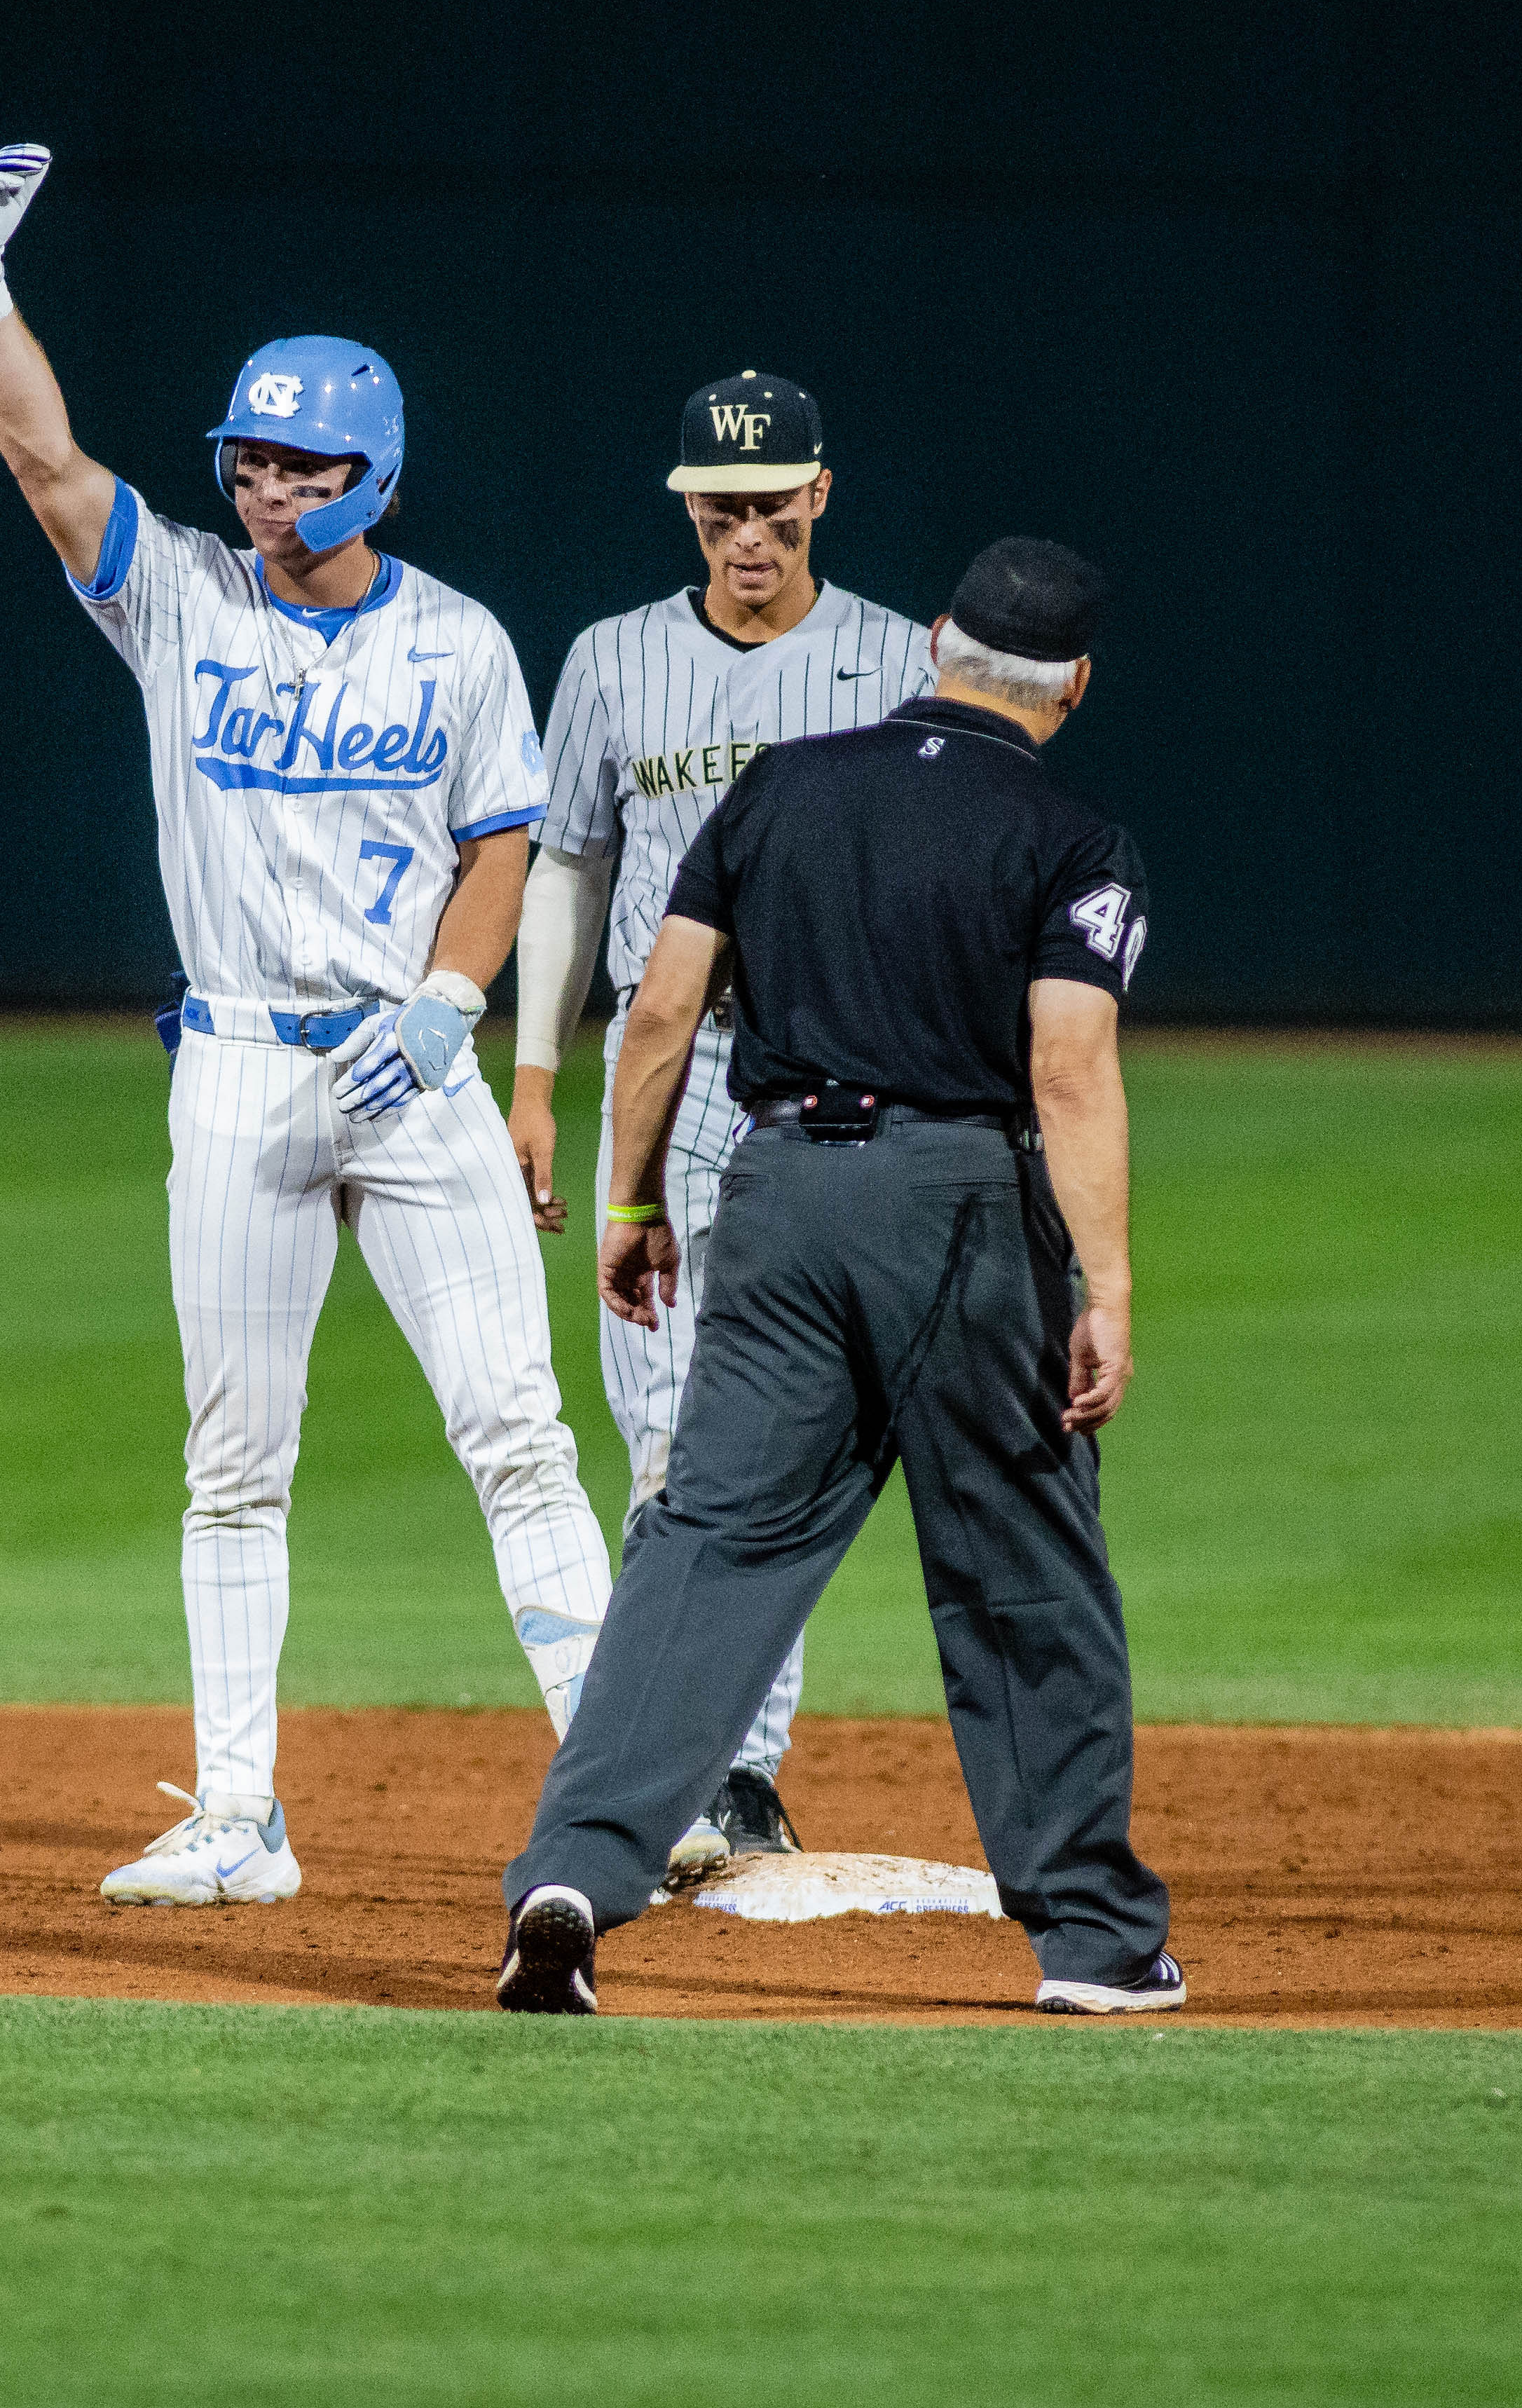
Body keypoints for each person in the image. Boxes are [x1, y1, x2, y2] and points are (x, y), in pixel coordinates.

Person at [0, 142, 611, 1906]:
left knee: (519, 1430)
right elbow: (41, 457)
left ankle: (630, 1788)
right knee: (233, 1461)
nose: (260, 484)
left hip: (415, 1072)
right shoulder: (180, 596)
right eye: (246, 453)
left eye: (297, 459)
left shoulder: (458, 641)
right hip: (239, 1064)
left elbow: (504, 842)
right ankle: (238, 1817)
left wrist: (455, 1004)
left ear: (371, 469)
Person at [491, 537, 1176, 2018]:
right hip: (958, 1207)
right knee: (1022, 1567)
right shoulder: (1076, 838)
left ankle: (570, 1868)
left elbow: (663, 1005)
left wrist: (630, 1196)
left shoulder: (778, 785)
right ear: (1077, 683)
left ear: (938, 642)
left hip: (775, 1189)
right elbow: (1068, 1067)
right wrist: (1105, 1282)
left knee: (705, 1544)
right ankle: (1097, 1944)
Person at [511, 371, 938, 1886]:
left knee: (789, 1431)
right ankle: (706, 1765)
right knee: (670, 1436)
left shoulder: (899, 658)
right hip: (666, 1074)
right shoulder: (617, 658)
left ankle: (732, 1764)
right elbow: (566, 866)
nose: (746, 532)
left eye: (773, 502)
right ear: (685, 504)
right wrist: (539, 1077)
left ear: (820, 493)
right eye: (720, 505)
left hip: (843, 1073)